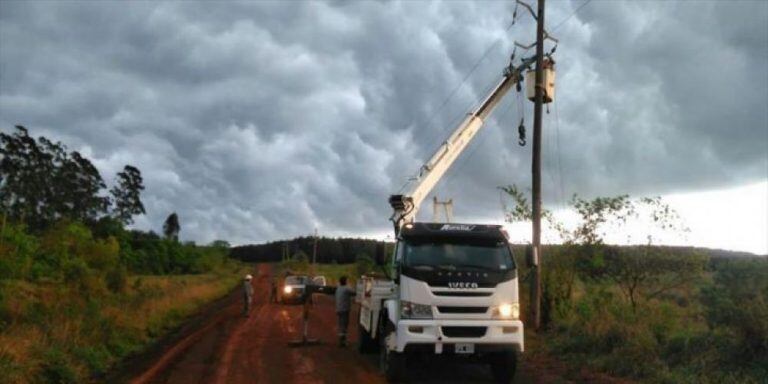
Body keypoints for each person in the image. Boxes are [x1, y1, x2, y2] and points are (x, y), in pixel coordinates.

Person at [334, 276, 356, 347]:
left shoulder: (338, 288)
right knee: (344, 325)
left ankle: (342, 340)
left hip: (339, 309)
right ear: (345, 281)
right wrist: (350, 285)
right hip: (344, 309)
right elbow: (354, 292)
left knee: (341, 324)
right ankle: (342, 342)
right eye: (347, 280)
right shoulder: (346, 288)